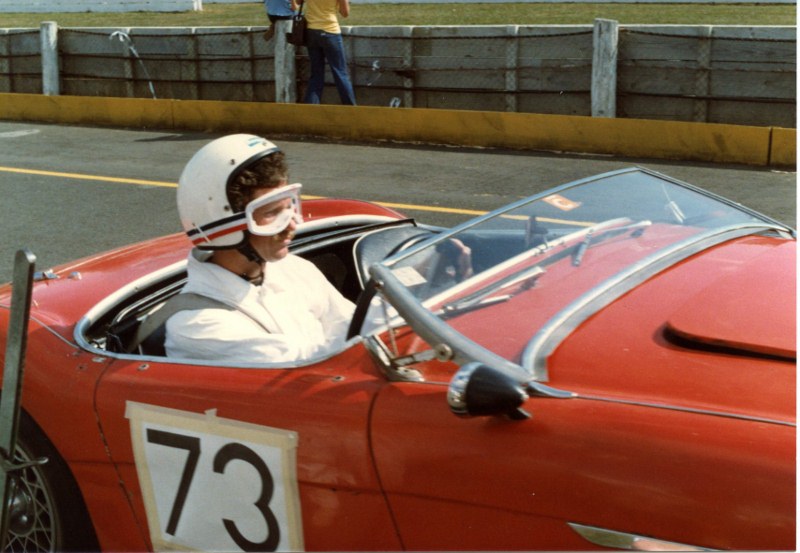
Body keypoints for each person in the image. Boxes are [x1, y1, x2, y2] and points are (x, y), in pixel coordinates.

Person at [166, 133, 355, 363]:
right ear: (225, 226)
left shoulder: (295, 269)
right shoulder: (196, 324)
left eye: (289, 206)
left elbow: (351, 324)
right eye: (272, 213)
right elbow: (307, 364)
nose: (292, 226)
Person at [292, 0, 357, 105]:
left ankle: (311, 109)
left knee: (316, 74)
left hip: (311, 32)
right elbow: (345, 13)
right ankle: (350, 108)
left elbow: (298, 2)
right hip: (330, 31)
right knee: (340, 72)